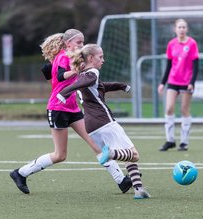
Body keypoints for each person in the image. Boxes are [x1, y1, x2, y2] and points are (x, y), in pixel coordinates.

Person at [10, 30, 132, 194]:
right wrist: (75, 71)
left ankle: (121, 181)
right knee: (60, 155)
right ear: (68, 44)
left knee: (97, 144)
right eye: (78, 42)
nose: (81, 45)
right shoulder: (63, 56)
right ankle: (20, 173)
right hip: (57, 109)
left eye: (83, 42)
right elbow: (60, 76)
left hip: (73, 108)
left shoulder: (74, 58)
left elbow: (47, 70)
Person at [56, 44, 151, 199]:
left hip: (91, 127)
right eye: (100, 57)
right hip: (105, 122)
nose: (103, 60)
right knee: (134, 155)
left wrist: (121, 86)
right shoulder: (92, 72)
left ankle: (139, 189)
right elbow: (84, 83)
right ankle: (112, 153)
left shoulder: (82, 74)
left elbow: (101, 86)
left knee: (127, 153)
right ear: (91, 58)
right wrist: (64, 93)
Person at [158, 18, 199, 152]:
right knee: (169, 108)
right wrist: (162, 83)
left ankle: (184, 142)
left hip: (186, 82)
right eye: (179, 27)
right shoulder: (171, 44)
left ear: (186, 29)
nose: (181, 29)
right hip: (173, 81)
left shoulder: (192, 43)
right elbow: (169, 65)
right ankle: (170, 140)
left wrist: (192, 82)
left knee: (184, 110)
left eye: (184, 27)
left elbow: (196, 65)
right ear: (175, 29)